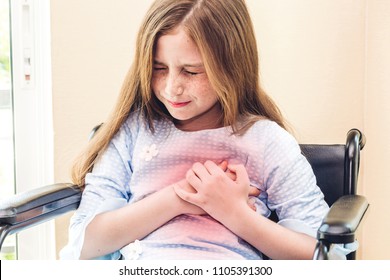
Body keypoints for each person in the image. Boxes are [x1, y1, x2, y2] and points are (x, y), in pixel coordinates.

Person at [60, 0, 349, 260]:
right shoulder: (134, 132)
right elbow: (84, 245)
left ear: (232, 67)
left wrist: (233, 213)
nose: (172, 86)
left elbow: (325, 256)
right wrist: (179, 197)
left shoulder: (265, 141)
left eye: (191, 71)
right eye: (158, 68)